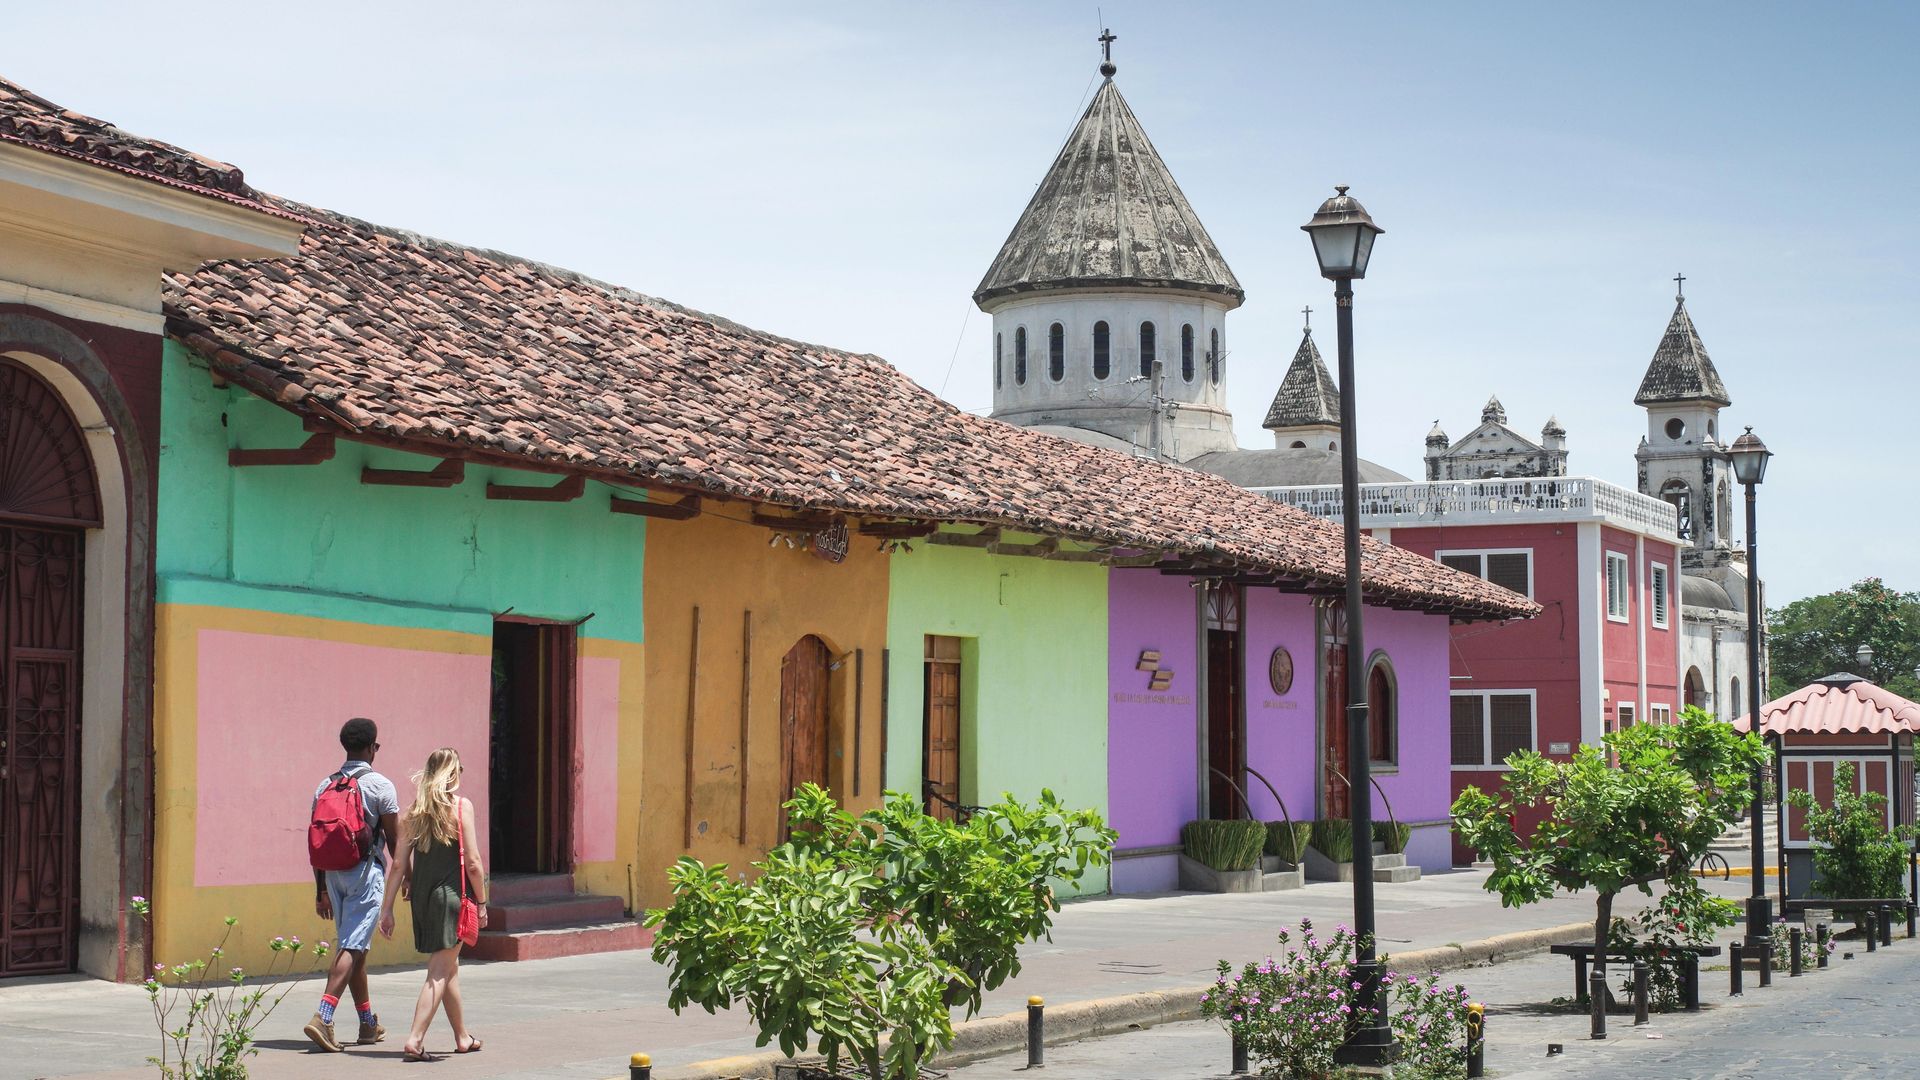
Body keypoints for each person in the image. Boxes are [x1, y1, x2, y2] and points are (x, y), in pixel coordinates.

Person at [379, 746, 488, 1061]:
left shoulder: (412, 812)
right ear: (452, 774)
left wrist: (387, 910)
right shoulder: (460, 806)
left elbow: (398, 866)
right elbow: (475, 863)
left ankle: (462, 1037)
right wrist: (482, 902)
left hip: (424, 900)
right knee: (439, 971)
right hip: (451, 898)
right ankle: (415, 1039)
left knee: (449, 967)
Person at [304, 717, 399, 1052]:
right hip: (364, 874)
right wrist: (406, 878)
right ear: (373, 747)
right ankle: (323, 1017)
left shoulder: (323, 785)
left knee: (355, 946)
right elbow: (394, 840)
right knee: (353, 947)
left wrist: (320, 891)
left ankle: (368, 1024)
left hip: (332, 876)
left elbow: (318, 841)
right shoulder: (380, 786)